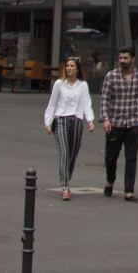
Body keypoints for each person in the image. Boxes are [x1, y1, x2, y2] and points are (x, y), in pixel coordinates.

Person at [99, 46, 138, 202]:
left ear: (133, 59)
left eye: (125, 58)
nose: (122, 61)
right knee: (111, 157)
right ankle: (110, 181)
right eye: (121, 58)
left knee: (131, 157)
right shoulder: (111, 76)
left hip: (134, 122)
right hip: (115, 123)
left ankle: (129, 191)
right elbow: (104, 99)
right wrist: (105, 119)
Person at [43, 57, 95, 201]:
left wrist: (90, 120)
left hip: (76, 121)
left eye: (72, 66)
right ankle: (65, 187)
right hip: (61, 120)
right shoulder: (59, 84)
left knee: (72, 155)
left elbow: (87, 104)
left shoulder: (82, 85)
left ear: (77, 69)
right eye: (67, 66)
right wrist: (48, 122)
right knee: (64, 153)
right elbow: (52, 104)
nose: (69, 68)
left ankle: (66, 178)